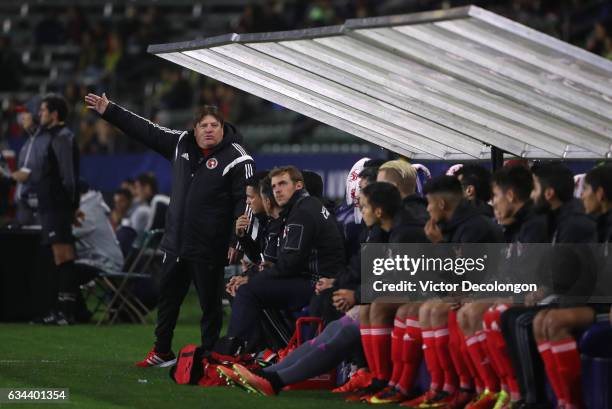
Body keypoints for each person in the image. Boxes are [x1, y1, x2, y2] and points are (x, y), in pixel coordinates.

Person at [84, 92, 254, 367]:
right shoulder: (180, 143)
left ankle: (210, 354)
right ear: (194, 129)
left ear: (223, 129)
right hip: (176, 242)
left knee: (210, 305)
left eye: (214, 125)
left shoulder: (239, 158)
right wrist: (110, 110)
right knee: (168, 300)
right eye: (203, 125)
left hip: (209, 244)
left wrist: (238, 239)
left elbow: (245, 202)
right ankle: (162, 350)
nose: (209, 130)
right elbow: (147, 130)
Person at [217, 182, 399, 396]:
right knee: (334, 329)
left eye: (365, 206)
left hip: (394, 305)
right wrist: (338, 284)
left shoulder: (404, 234)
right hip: (376, 301)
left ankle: (273, 379)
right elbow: (361, 270)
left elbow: (407, 284)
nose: (360, 209)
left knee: (346, 326)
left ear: (379, 210)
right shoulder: (380, 233)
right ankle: (267, 375)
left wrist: (356, 294)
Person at [224, 166, 345, 352]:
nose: (277, 190)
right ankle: (260, 350)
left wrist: (253, 277)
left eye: (282, 184)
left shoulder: (301, 213)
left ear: (298, 186)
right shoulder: (304, 207)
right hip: (317, 280)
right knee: (252, 288)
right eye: (274, 186)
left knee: (248, 291)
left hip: (317, 283)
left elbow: (289, 265)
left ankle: (235, 350)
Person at [32, 94, 80, 325]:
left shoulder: (62, 137)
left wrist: (69, 207)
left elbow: (68, 178)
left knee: (63, 257)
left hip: (57, 206)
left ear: (54, 114)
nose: (39, 114)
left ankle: (66, 311)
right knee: (58, 257)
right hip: (51, 206)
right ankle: (61, 310)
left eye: (43, 110)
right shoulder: (51, 135)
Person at [11, 101, 43, 225]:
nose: (22, 117)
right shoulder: (28, 143)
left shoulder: (41, 141)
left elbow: (26, 173)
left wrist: (7, 177)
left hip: (38, 207)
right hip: (25, 207)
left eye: (25, 113)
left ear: (36, 116)